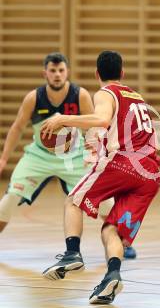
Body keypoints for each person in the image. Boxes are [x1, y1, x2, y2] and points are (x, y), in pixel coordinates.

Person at [41, 50, 160, 304]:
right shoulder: (136, 96)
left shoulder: (106, 93)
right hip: (150, 174)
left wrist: (64, 119)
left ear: (97, 74)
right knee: (111, 230)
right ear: (123, 73)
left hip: (125, 164)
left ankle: (73, 254)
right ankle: (112, 276)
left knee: (73, 201)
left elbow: (103, 119)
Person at [0, 52, 137, 259]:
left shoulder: (79, 95)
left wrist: (96, 154)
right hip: (39, 155)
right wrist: (3, 158)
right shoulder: (34, 98)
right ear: (45, 73)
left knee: (104, 201)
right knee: (10, 198)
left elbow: (95, 127)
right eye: (53, 70)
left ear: (67, 72)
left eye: (61, 70)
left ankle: (122, 242)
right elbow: (17, 128)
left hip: (74, 155)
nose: (57, 74)